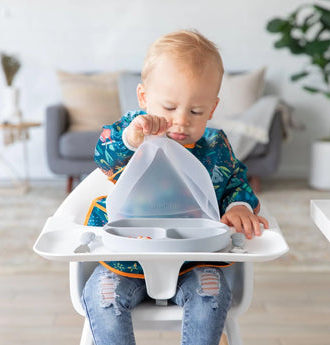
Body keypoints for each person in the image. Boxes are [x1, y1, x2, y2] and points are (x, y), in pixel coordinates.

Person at [82, 29, 269, 345]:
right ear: (144, 98)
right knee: (103, 298)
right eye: (169, 108)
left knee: (212, 293)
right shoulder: (132, 133)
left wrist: (239, 206)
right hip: (127, 258)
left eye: (196, 111)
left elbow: (236, 181)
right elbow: (105, 156)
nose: (181, 121)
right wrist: (131, 138)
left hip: (194, 260)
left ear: (211, 108)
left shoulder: (214, 146)